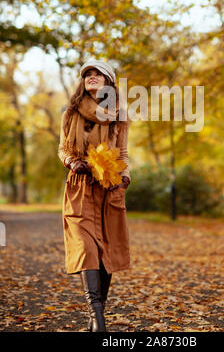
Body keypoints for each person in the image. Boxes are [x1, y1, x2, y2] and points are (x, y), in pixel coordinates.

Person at [57, 58, 131, 332]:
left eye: (98, 73)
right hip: (79, 188)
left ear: (108, 82)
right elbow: (63, 148)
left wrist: (124, 179)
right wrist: (70, 162)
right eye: (87, 73)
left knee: (106, 253)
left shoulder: (119, 116)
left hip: (108, 190)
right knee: (87, 249)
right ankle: (99, 321)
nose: (91, 75)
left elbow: (122, 153)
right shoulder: (71, 112)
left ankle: (94, 319)